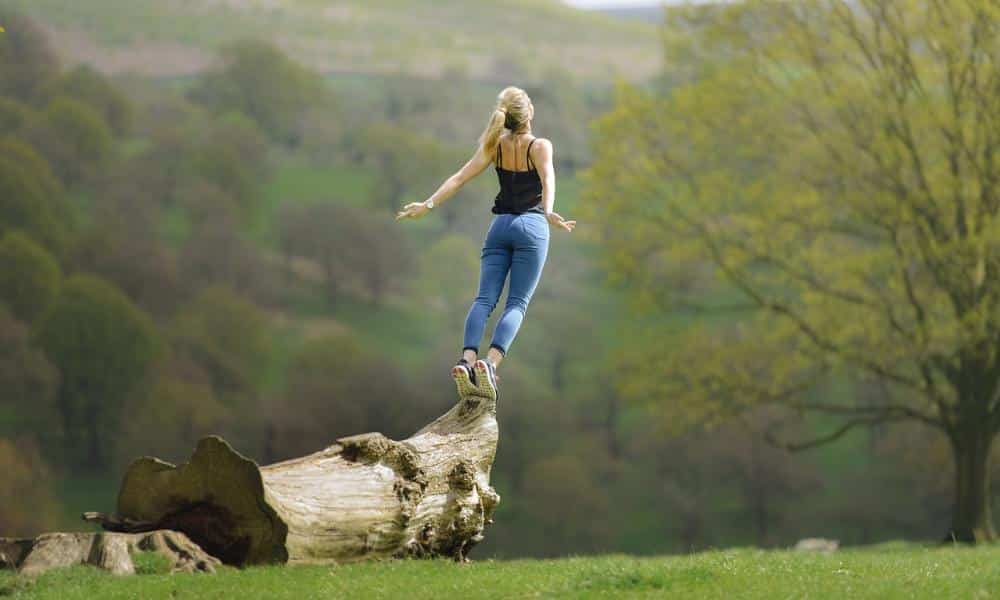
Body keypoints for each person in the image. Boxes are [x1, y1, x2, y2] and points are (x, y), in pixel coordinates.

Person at [395, 86, 576, 398]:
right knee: (517, 303)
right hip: (531, 227)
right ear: (529, 113)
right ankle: (489, 364)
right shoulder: (540, 146)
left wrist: (428, 205)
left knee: (483, 300)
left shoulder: (496, 146)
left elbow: (459, 178)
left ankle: (466, 361)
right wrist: (548, 212)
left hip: (499, 228)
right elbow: (548, 179)